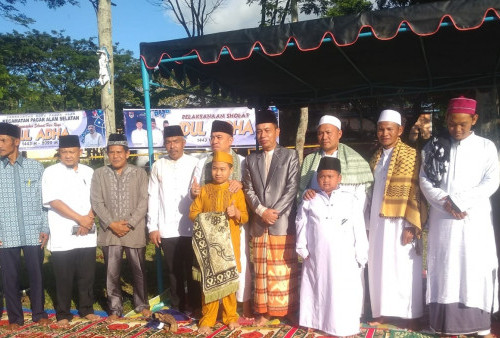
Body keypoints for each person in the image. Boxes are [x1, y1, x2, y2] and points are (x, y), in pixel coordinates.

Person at [420, 96, 499, 336]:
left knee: (474, 267)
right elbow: (424, 179)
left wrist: (461, 201)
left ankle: (477, 323)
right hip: (443, 220)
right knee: (445, 267)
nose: (457, 129)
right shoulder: (434, 146)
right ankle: (444, 324)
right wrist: (446, 201)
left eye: (463, 124)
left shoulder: (486, 146)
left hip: (473, 219)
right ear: (447, 120)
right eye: (453, 123)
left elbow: (492, 180)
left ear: (474, 119)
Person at [296, 157, 368, 337]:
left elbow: (359, 226)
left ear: (339, 178)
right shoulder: (310, 198)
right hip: (317, 254)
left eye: (330, 176)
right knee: (316, 286)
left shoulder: (350, 199)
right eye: (322, 176)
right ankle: (313, 321)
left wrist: (361, 253)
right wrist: (301, 247)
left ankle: (343, 324)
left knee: (342, 288)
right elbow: (300, 222)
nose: (326, 180)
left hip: (344, 256)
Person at [368, 109, 426, 328]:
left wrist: (412, 224)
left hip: (402, 221)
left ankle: (411, 314)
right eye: (381, 129)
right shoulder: (375, 156)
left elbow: (417, 191)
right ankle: (382, 311)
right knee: (379, 265)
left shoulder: (412, 155)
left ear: (400, 130)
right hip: (377, 221)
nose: (384, 133)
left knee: (404, 266)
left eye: (389, 129)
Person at [243, 108, 300, 326]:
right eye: (259, 131)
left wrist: (273, 212)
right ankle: (264, 312)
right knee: (262, 271)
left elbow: (292, 187)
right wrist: (260, 211)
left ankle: (288, 310)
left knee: (284, 270)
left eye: (267, 130)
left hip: (281, 222)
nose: (263, 135)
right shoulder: (251, 159)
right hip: (259, 223)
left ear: (277, 131)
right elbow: (248, 189)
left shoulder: (289, 155)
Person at [191, 120, 252, 318]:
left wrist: (241, 186)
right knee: (209, 274)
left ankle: (234, 311)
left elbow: (249, 195)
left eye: (219, 137)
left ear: (230, 140)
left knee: (234, 271)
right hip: (209, 235)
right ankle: (209, 314)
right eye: (212, 137)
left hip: (233, 231)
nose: (214, 141)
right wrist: (194, 193)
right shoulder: (203, 162)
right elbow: (195, 198)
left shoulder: (243, 162)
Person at [90, 134, 151, 321]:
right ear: (107, 154)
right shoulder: (99, 174)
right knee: (111, 271)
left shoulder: (139, 173)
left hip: (134, 229)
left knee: (138, 270)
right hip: (110, 231)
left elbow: (144, 200)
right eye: (111, 152)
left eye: (119, 152)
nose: (115, 156)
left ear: (127, 153)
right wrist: (111, 224)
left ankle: (141, 305)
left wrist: (130, 223)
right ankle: (115, 309)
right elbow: (97, 202)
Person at [42, 135, 100, 327]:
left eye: (72, 152)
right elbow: (54, 201)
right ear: (59, 153)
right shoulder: (51, 172)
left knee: (87, 275)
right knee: (63, 276)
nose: (68, 156)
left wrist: (88, 219)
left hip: (87, 232)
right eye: (64, 152)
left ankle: (86, 309)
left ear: (80, 152)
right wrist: (80, 219)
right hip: (62, 233)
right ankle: (63, 313)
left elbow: (96, 199)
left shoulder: (89, 171)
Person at [0, 122, 50, 330]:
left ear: (16, 142)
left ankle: (38, 313)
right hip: (5, 233)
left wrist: (45, 228)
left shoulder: (35, 168)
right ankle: (15, 318)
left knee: (36, 274)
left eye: (3, 140)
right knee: (9, 277)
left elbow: (44, 202)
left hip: (32, 231)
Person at [148, 125, 201, 314]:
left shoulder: (196, 163)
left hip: (192, 227)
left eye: (176, 141)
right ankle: (178, 307)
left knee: (194, 270)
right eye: (168, 142)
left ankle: (196, 306)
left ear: (183, 143)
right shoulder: (158, 165)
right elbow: (152, 197)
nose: (172, 146)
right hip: (167, 227)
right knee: (174, 271)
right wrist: (152, 227)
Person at [299, 115, 373, 204]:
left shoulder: (355, 159)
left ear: (339, 134)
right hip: (316, 214)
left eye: (328, 132)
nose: (324, 137)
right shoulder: (309, 160)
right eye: (320, 133)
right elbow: (301, 189)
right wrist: (305, 193)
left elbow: (362, 195)